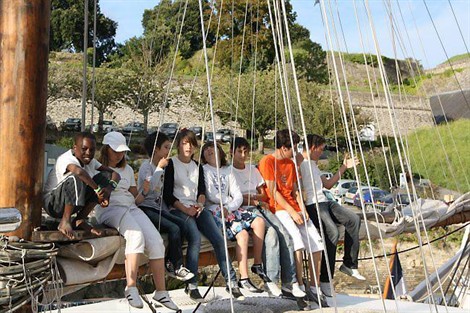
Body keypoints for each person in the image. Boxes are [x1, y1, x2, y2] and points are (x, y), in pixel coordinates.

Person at [95, 131, 178, 310]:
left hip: (130, 206)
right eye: (115, 151)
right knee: (136, 236)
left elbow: (136, 199)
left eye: (122, 151)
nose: (119, 155)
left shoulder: (127, 169)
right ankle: (131, 287)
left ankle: (161, 292)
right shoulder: (97, 168)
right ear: (106, 149)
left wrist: (145, 191)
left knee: (156, 241)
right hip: (110, 208)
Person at [163, 129, 244, 301]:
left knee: (218, 238)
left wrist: (199, 205)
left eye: (191, 144)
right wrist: (186, 210)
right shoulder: (171, 164)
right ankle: (192, 284)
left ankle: (232, 281)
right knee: (195, 237)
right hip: (179, 208)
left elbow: (201, 191)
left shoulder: (197, 167)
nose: (188, 147)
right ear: (179, 144)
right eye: (184, 143)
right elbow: (168, 195)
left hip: (197, 207)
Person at [258, 129, 326, 307]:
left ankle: (315, 286)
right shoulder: (268, 162)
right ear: (282, 148)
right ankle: (298, 284)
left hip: (294, 206)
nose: (295, 152)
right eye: (292, 148)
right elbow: (273, 192)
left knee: (317, 242)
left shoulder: (290, 163)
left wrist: (302, 209)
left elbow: (295, 190)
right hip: (279, 208)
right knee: (296, 240)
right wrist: (292, 211)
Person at [230, 137, 298, 298]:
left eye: (245, 151)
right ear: (232, 152)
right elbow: (234, 198)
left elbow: (263, 194)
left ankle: (284, 281)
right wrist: (248, 198)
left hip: (259, 207)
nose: (243, 155)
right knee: (275, 233)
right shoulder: (229, 172)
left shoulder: (252, 170)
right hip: (243, 212)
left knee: (280, 233)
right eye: (239, 151)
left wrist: (250, 197)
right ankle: (273, 280)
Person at [300, 134, 364, 298]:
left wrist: (344, 167)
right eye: (320, 150)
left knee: (354, 219)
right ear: (313, 147)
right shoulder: (299, 162)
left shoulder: (313, 165)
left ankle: (349, 264)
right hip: (313, 204)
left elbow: (328, 184)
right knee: (332, 232)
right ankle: (325, 280)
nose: (321, 154)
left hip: (325, 201)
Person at [201, 141, 267, 294]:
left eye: (213, 148)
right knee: (242, 234)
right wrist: (226, 203)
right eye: (206, 149)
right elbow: (211, 194)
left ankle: (257, 263)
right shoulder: (204, 170)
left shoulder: (227, 170)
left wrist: (229, 206)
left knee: (259, 221)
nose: (210, 150)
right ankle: (244, 278)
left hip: (230, 208)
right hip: (215, 209)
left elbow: (237, 194)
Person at [137, 131, 194, 281]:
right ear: (156, 149)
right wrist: (159, 169)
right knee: (173, 228)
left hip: (159, 208)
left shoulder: (162, 167)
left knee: (182, 224)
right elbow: (149, 189)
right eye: (166, 147)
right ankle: (176, 265)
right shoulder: (147, 167)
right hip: (146, 208)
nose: (169, 151)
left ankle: (170, 261)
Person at [43, 132, 120, 240]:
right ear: (75, 148)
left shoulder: (91, 161)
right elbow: (79, 172)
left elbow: (115, 174)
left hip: (73, 203)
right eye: (84, 149)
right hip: (53, 204)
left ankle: (80, 219)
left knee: (105, 176)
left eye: (92, 150)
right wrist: (97, 190)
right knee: (78, 176)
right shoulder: (66, 158)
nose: (88, 153)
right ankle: (65, 221)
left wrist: (107, 191)